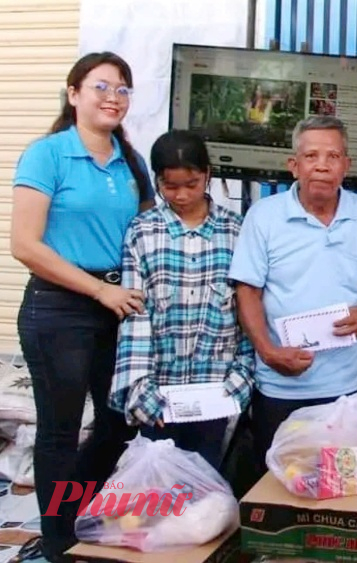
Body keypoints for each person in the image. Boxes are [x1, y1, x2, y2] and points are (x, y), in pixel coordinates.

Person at [10, 51, 154, 562]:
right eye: (101, 86)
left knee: (120, 421)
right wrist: (97, 290)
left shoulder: (131, 161)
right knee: (60, 429)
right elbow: (25, 245)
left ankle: (77, 509)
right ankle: (57, 542)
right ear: (73, 93)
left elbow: (147, 232)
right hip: (59, 307)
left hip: (118, 305)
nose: (113, 97)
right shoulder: (47, 155)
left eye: (122, 89)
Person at [229, 116, 357, 473]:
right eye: (311, 155)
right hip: (281, 384)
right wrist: (269, 352)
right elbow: (248, 290)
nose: (322, 165)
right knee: (281, 482)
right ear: (294, 165)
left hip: (347, 384)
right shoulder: (264, 217)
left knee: (340, 481)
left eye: (333, 156)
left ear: (346, 165)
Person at [109, 130, 255, 469]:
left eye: (192, 184)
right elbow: (135, 318)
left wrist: (240, 382)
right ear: (157, 180)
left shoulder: (237, 231)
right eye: (170, 186)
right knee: (158, 491)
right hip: (160, 394)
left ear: (208, 174)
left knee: (206, 491)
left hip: (217, 390)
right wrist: (142, 390)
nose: (182, 195)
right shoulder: (143, 232)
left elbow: (248, 314)